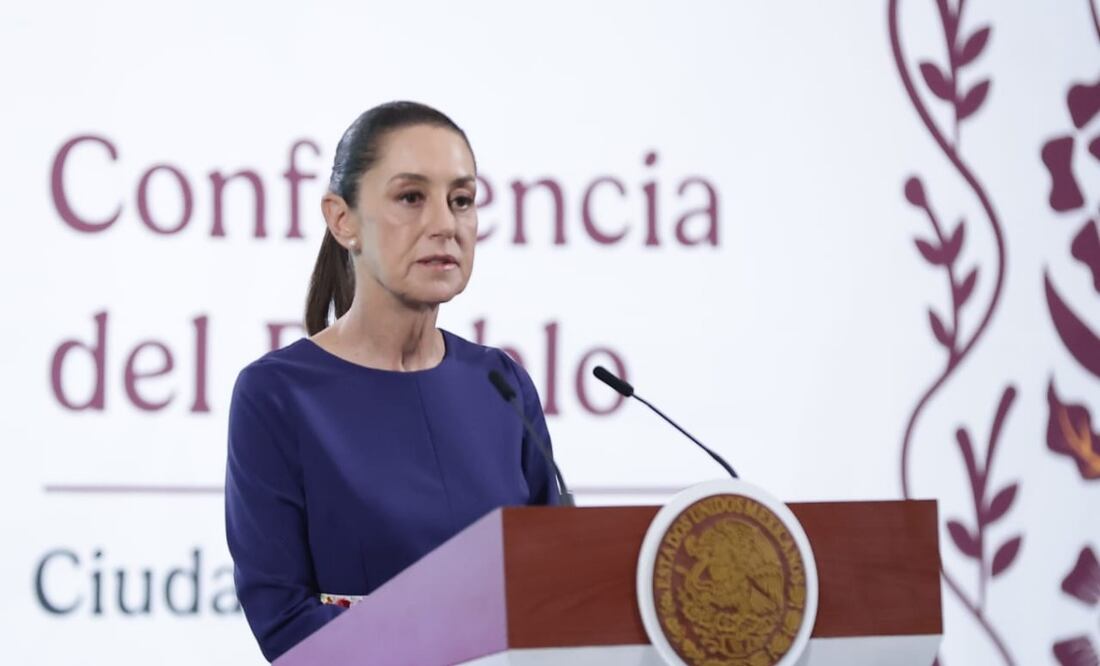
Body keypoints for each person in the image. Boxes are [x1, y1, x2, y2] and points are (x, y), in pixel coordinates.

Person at [224, 101, 560, 662]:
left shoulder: (501, 384)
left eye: (461, 200)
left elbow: (556, 589)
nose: (445, 225)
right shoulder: (278, 394)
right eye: (411, 198)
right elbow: (284, 622)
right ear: (343, 220)